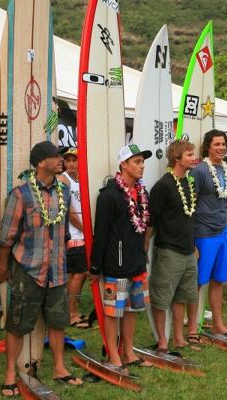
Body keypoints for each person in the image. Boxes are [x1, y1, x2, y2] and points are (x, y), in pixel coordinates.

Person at [0, 141, 82, 397]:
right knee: (17, 323)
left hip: (57, 269)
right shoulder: (21, 194)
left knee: (58, 323)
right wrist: (2, 267)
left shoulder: (64, 192)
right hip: (28, 269)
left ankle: (59, 368)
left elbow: (64, 231)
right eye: (56, 156)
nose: (61, 160)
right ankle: (10, 373)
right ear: (41, 162)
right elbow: (6, 237)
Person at [90, 144, 153, 370]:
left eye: (143, 162)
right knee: (113, 311)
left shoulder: (143, 193)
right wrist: (95, 266)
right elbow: (102, 233)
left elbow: (144, 227)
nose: (142, 166)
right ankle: (113, 356)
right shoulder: (109, 196)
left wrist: (143, 254)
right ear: (123, 165)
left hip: (136, 263)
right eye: (137, 162)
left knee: (132, 309)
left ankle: (128, 352)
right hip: (115, 265)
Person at [146, 140, 201, 350]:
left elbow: (190, 217)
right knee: (162, 297)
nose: (192, 158)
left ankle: (179, 337)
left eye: (192, 154)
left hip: (188, 251)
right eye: (188, 155)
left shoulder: (189, 182)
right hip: (169, 251)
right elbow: (151, 221)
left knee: (183, 296)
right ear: (176, 159)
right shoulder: (163, 186)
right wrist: (144, 248)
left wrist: (193, 244)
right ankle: (162, 339)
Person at [191, 129, 227, 335]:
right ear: (208, 147)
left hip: (223, 232)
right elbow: (190, 205)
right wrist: (191, 241)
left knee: (218, 280)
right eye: (217, 144)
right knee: (200, 281)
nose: (221, 147)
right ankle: (192, 325)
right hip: (204, 233)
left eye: (224, 143)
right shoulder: (199, 170)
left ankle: (218, 323)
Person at [57, 148, 88, 328]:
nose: (71, 164)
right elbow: (68, 210)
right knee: (78, 273)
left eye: (74, 160)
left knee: (79, 274)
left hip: (83, 233)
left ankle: (71, 310)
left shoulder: (83, 177)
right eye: (67, 160)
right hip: (74, 234)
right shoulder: (64, 180)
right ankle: (71, 313)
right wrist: (84, 229)